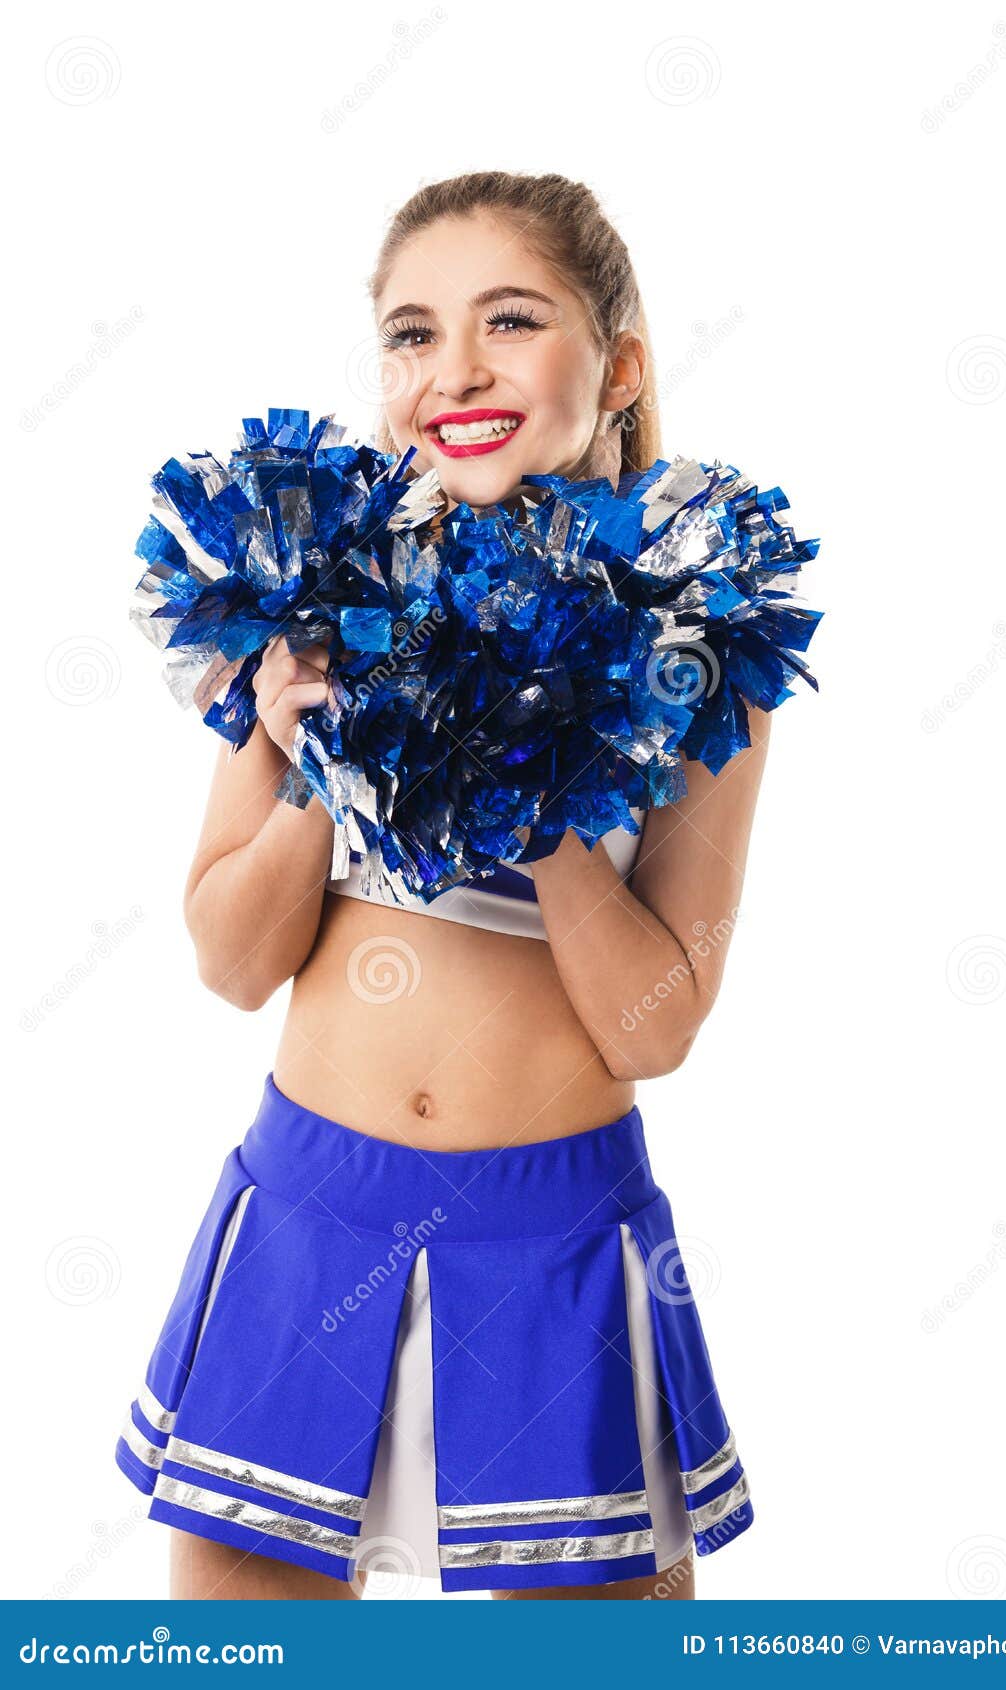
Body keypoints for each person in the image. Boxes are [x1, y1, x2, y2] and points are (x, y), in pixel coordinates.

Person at [115, 170, 773, 1602]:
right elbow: (232, 961)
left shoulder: (697, 637)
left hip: (558, 1241)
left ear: (621, 364)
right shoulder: (304, 585)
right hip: (311, 1209)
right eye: (413, 334)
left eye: (512, 319)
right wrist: (305, 764)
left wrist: (543, 821)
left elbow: (656, 1026)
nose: (454, 371)